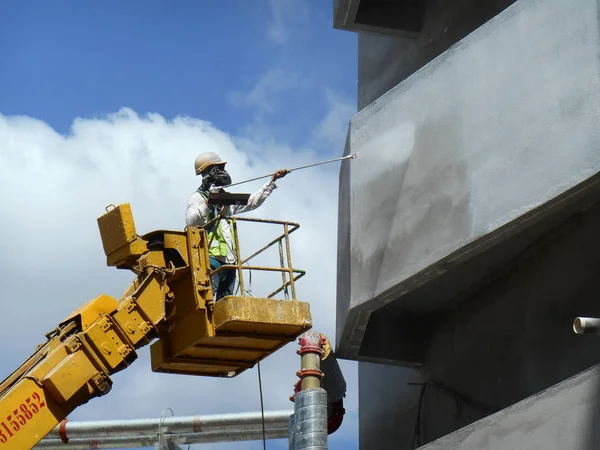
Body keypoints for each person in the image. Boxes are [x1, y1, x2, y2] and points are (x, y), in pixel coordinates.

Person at [185, 151, 289, 301]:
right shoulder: (197, 197)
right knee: (207, 299)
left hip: (229, 260)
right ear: (207, 172)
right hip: (210, 259)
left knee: (225, 303)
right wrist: (208, 203)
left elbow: (252, 202)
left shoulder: (226, 198)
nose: (221, 173)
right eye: (217, 169)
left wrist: (272, 181)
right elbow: (191, 222)